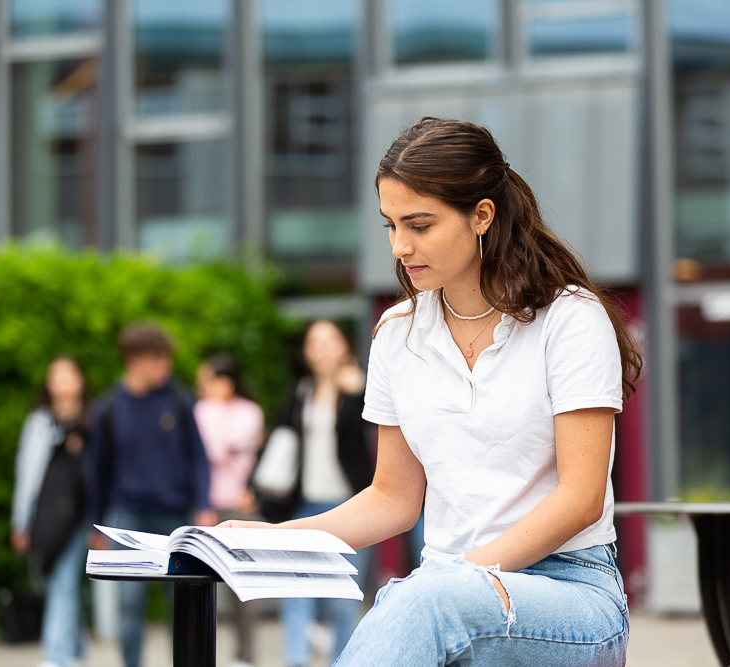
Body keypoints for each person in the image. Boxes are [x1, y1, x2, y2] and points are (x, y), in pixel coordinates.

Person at [222, 117, 642, 666]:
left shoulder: (570, 320)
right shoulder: (397, 334)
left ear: (481, 216)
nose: (399, 246)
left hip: (571, 592)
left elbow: (581, 498)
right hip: (442, 590)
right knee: (424, 598)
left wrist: (458, 581)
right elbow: (392, 499)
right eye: (390, 225)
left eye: (419, 225)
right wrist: (277, 538)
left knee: (424, 599)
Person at [88, 322, 216, 667]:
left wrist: (203, 504)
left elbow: (198, 458)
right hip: (128, 517)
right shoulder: (108, 408)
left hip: (174, 518)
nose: (166, 367)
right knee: (130, 604)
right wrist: (96, 525)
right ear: (133, 359)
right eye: (158, 359)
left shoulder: (178, 400)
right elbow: (98, 471)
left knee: (183, 602)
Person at [262, 320, 375, 667]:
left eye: (330, 340)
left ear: (344, 347)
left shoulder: (361, 391)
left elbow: (378, 435)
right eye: (315, 342)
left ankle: (341, 661)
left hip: (350, 505)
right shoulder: (300, 393)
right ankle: (296, 661)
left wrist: (359, 392)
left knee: (343, 599)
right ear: (306, 352)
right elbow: (281, 443)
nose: (323, 348)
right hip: (305, 507)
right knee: (296, 592)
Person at [10, 356, 90, 667]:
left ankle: (58, 655)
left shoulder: (94, 420)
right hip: (50, 516)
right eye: (55, 375)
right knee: (59, 581)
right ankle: (75, 648)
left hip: (84, 516)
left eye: (68, 374)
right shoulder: (40, 423)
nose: (62, 382)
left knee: (64, 580)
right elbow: (28, 475)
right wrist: (21, 521)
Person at [193, 353, 265, 667]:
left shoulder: (250, 411)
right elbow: (210, 450)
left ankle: (245, 655)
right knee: (206, 583)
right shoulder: (201, 409)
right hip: (209, 505)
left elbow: (216, 448)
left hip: (241, 505)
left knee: (244, 586)